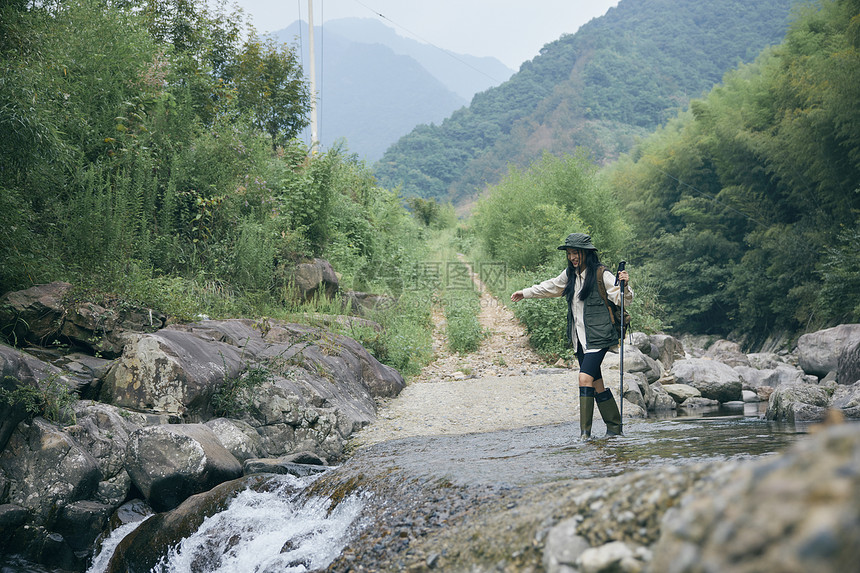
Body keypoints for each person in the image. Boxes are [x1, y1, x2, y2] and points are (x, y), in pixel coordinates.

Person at [511, 232, 632, 439]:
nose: (572, 257)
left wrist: (625, 285)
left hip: (598, 338)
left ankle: (585, 436)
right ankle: (614, 429)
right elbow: (550, 287)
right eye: (569, 253)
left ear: (586, 253)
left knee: (584, 378)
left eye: (575, 253)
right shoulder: (570, 275)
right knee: (596, 383)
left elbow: (623, 300)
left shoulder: (602, 274)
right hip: (580, 340)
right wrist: (526, 292)